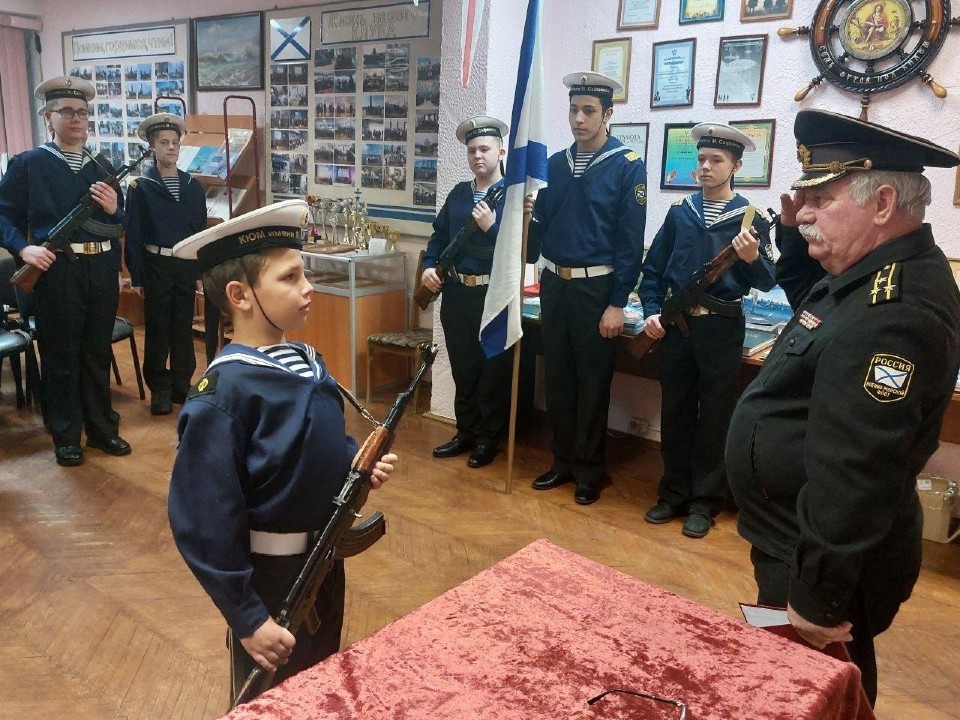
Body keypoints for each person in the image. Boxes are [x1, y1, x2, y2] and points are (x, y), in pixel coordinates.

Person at [726, 109, 960, 705]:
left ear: (882, 203)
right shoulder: (869, 270)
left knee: (826, 681)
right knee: (808, 681)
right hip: (795, 536)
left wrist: (816, 597)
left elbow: (858, 470)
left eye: (820, 198)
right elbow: (816, 309)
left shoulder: (895, 313)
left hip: (820, 552)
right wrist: (796, 236)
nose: (803, 210)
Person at [167, 200, 398, 699]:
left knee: (318, 682)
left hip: (325, 559)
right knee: (270, 697)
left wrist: (356, 466)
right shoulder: (224, 394)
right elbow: (203, 519)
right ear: (240, 295)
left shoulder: (302, 360)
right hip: (270, 580)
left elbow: (312, 443)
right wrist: (247, 617)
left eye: (304, 274)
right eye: (290, 278)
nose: (307, 287)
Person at [638, 123, 776, 539]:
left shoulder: (751, 219)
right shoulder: (681, 212)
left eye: (716, 160)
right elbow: (653, 270)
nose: (706, 167)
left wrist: (751, 258)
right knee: (676, 410)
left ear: (736, 166)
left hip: (721, 328)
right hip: (677, 327)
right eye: (701, 159)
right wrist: (651, 312)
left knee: (716, 415)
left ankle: (704, 502)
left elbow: (768, 279)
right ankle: (672, 493)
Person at [525, 71, 647, 505]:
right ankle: (562, 461)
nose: (579, 118)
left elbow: (630, 242)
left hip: (597, 289)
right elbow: (540, 232)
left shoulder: (626, 165)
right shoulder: (556, 166)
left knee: (593, 383)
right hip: (555, 285)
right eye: (574, 110)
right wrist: (527, 218)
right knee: (558, 378)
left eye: (589, 111)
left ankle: (590, 470)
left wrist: (617, 303)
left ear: (608, 114)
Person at [0, 76, 131, 467]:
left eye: (83, 113)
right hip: (57, 271)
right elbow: (2, 214)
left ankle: (102, 429)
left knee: (96, 352)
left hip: (101, 269)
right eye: (67, 112)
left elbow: (121, 221)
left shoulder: (102, 165)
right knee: (61, 355)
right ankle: (67, 435)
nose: (77, 119)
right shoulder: (29, 164)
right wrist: (23, 248)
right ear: (49, 117)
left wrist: (114, 208)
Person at [423, 115, 512, 469]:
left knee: (492, 371)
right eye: (472, 150)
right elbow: (439, 236)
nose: (478, 155)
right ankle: (466, 432)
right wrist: (429, 266)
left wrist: (492, 228)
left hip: (493, 296)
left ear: (500, 151)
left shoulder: (513, 197)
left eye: (485, 149)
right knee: (464, 368)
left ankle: (489, 438)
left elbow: (522, 251)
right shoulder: (459, 194)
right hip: (458, 293)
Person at [125, 113, 206, 415]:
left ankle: (182, 384)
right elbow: (134, 233)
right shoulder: (141, 187)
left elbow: (199, 231)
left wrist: (198, 271)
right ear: (152, 147)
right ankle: (159, 386)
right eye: (164, 143)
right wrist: (137, 276)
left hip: (184, 264)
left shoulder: (192, 186)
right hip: (155, 264)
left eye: (175, 142)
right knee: (158, 326)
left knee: (182, 326)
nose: (171, 147)